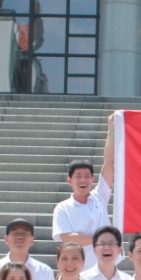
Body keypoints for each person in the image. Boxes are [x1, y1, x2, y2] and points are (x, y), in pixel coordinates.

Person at [51, 114, 115, 270]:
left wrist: (111, 131)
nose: (83, 180)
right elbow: (66, 237)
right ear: (69, 180)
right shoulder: (63, 208)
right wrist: (101, 240)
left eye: (87, 176)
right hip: (79, 268)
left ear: (92, 179)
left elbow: (109, 162)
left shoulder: (100, 197)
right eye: (78, 176)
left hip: (106, 266)